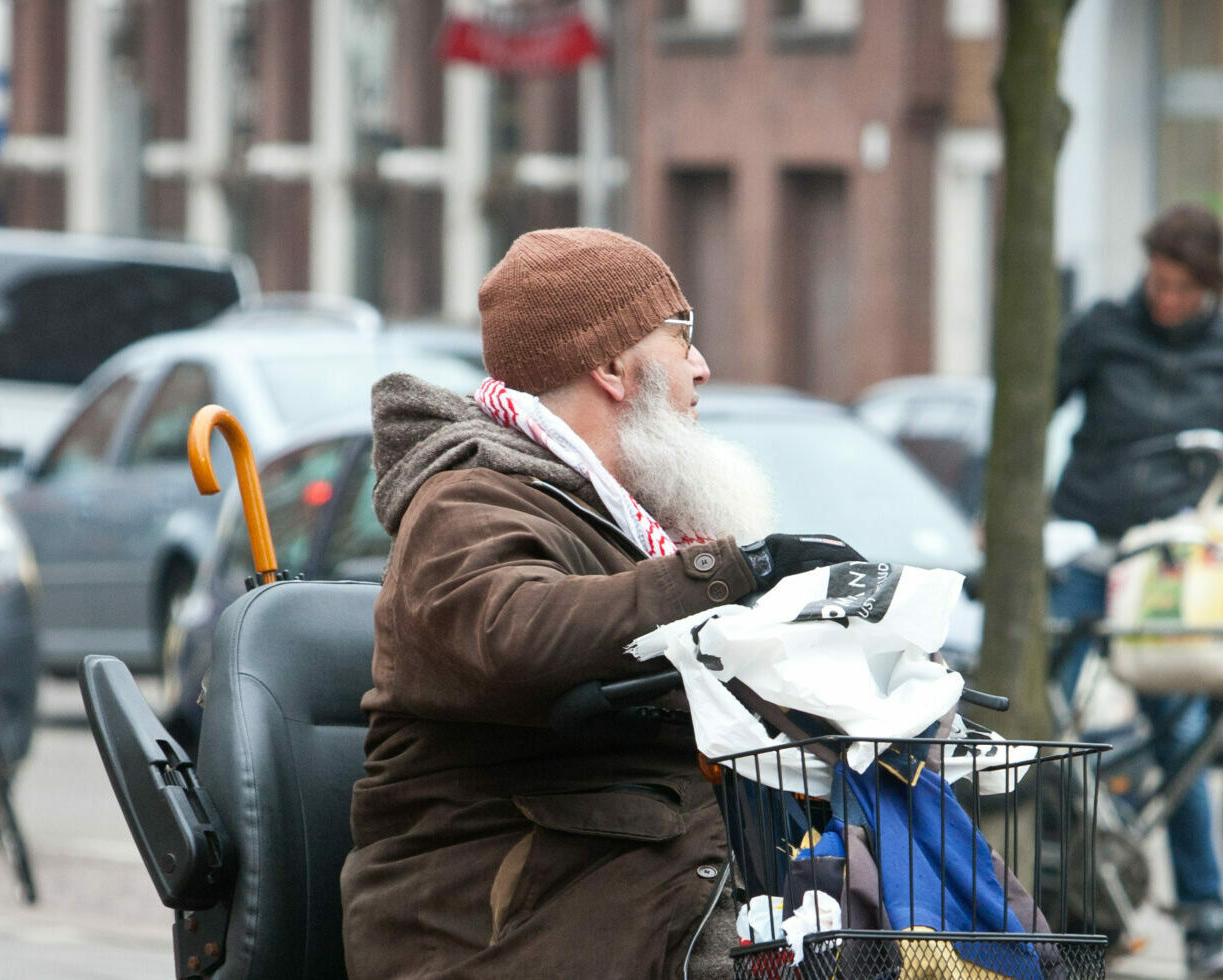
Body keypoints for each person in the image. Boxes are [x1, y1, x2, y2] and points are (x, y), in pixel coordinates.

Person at [339, 228, 863, 978]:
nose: (702, 369)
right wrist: (727, 570)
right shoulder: (466, 501)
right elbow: (511, 630)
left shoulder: (623, 521)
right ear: (614, 366)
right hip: (510, 932)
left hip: (634, 901)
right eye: (682, 339)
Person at [1049, 203, 1223, 976]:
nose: (1166, 298)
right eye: (1158, 282)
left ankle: (1206, 925)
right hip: (1087, 545)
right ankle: (1073, 892)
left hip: (1171, 567)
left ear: (1209, 287)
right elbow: (1028, 407)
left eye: (1182, 288)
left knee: (1176, 739)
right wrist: (995, 507)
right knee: (1062, 713)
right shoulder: (1102, 327)